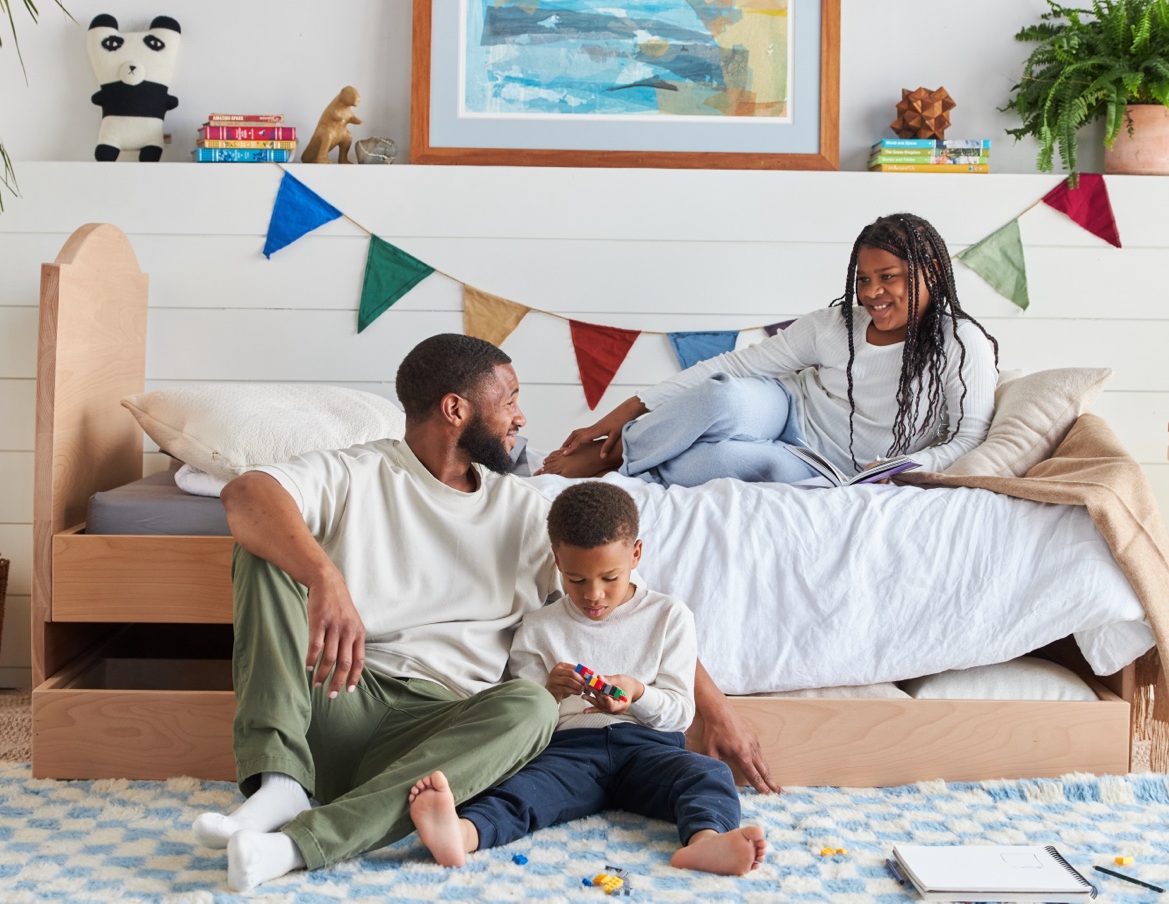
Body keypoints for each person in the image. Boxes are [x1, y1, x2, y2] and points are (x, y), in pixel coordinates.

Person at [189, 333, 777, 892]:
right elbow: (246, 494)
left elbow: (630, 606)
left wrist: (715, 709)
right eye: (511, 399)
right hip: (340, 693)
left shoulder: (523, 510)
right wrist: (324, 577)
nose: (521, 417)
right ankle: (281, 782)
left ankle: (296, 845)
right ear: (455, 409)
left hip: (444, 732)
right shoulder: (359, 471)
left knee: (530, 705)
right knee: (261, 553)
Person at [405, 481, 770, 875]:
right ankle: (463, 834)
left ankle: (706, 842)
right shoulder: (539, 627)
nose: (593, 595)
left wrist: (637, 693)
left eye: (609, 578)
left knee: (707, 774)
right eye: (576, 580)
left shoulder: (669, 616)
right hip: (570, 749)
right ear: (558, 562)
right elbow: (527, 718)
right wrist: (550, 693)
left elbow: (680, 715)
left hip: (647, 747)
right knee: (523, 787)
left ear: (636, 554)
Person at [539, 212, 999, 487]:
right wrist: (618, 416)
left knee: (717, 461)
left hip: (823, 463)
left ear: (933, 270)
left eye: (888, 277)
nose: (872, 293)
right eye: (863, 279)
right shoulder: (835, 325)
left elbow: (969, 436)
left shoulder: (961, 344)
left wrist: (903, 467)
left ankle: (630, 461)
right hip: (784, 410)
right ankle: (614, 453)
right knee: (723, 394)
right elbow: (734, 363)